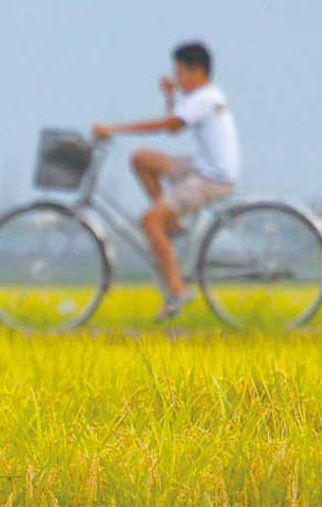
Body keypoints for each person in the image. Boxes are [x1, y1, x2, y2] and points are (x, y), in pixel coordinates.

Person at [92, 41, 239, 321]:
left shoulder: (205, 99)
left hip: (209, 178)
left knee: (150, 222)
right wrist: (171, 97)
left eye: (180, 73)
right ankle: (170, 223)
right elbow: (175, 125)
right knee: (142, 159)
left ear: (197, 72)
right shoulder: (205, 97)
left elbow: (168, 126)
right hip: (201, 168)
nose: (177, 79)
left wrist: (114, 129)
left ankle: (176, 289)